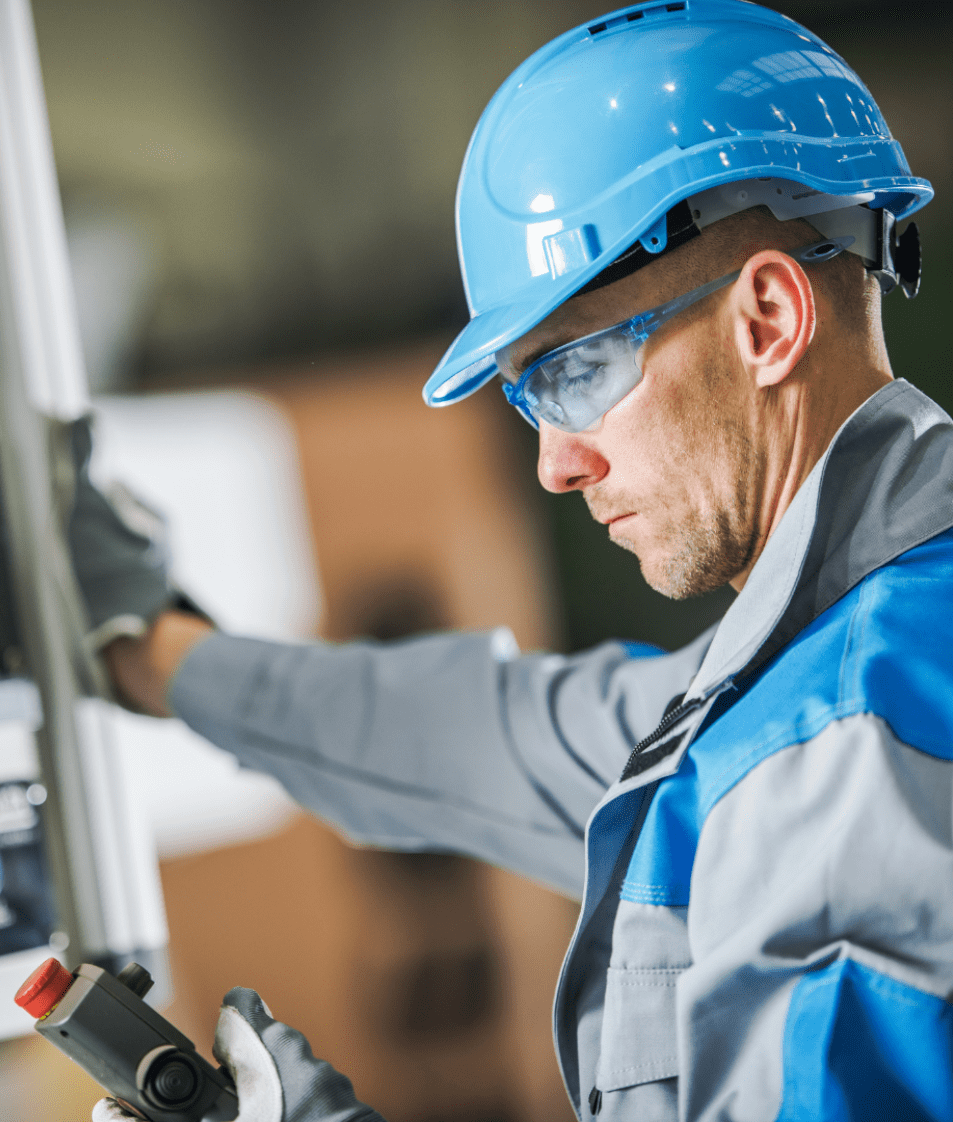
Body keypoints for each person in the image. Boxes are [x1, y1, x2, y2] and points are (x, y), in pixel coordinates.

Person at [67, 3, 951, 1120]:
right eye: (528, 397)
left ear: (768, 319)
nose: (555, 466)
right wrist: (153, 649)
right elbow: (493, 733)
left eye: (576, 372)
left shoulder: (846, 758)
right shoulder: (852, 646)